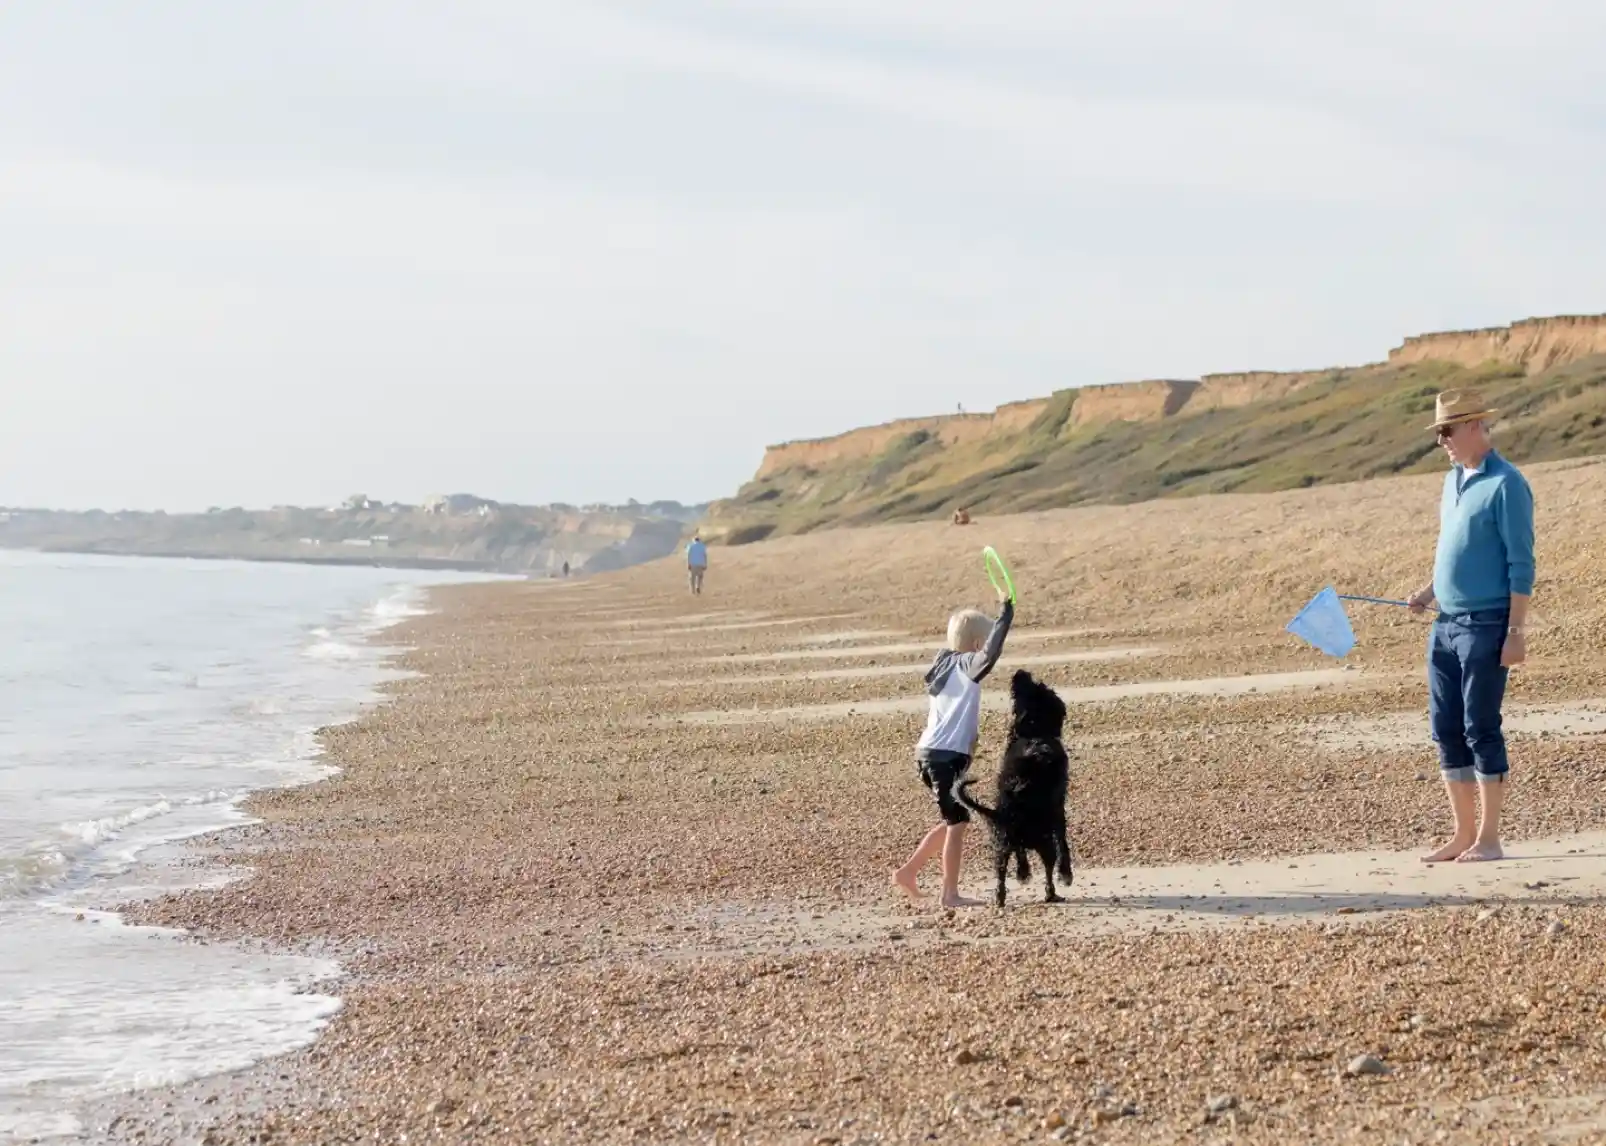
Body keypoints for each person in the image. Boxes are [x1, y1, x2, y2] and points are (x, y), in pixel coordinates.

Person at [1406, 389, 1535, 864]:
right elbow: (1454, 548)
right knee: (1445, 728)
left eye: (1448, 431)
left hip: (1487, 624)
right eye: (1438, 432)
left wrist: (1516, 633)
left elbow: (1521, 564)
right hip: (1445, 624)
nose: (1442, 440)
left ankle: (1489, 839)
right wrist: (1428, 592)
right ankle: (1462, 835)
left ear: (1477, 427)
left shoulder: (1507, 484)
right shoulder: (1452, 481)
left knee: (1480, 727)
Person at [892, 588, 1014, 907]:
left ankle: (908, 872)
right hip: (944, 759)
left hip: (930, 754)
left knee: (952, 821)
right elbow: (991, 653)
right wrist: (1007, 611)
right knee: (957, 824)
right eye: (981, 644)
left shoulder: (943, 665)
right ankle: (950, 894)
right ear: (975, 646)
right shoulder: (965, 666)